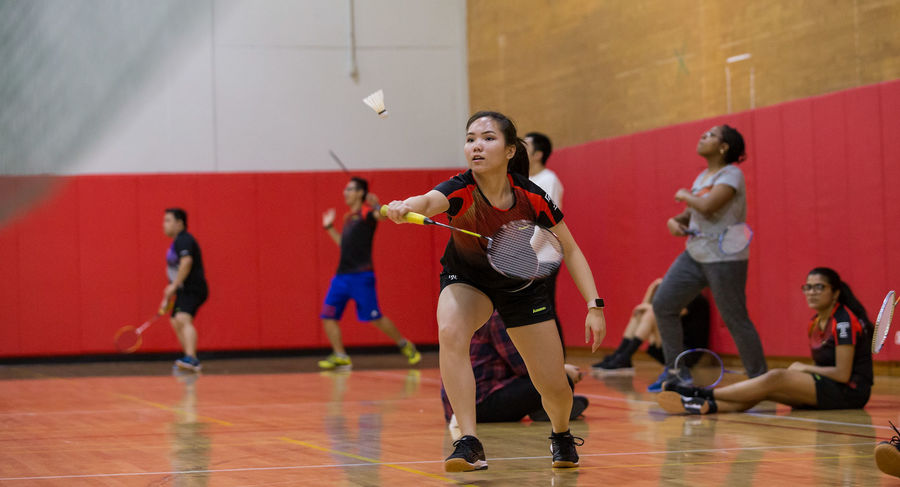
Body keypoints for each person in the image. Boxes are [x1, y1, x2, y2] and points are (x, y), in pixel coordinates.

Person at [384, 111, 606, 472]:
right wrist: (405, 205)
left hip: (521, 287)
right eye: (471, 138)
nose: (476, 146)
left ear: (509, 150)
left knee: (553, 385)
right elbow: (427, 201)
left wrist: (594, 305)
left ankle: (561, 434)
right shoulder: (460, 188)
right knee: (451, 331)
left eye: (487, 138)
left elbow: (572, 248)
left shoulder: (531, 196)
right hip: (468, 280)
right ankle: (468, 442)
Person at [657, 267, 873, 415]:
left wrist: (804, 368)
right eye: (808, 287)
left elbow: (843, 374)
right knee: (764, 390)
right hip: (830, 387)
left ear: (835, 293)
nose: (812, 292)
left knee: (776, 376)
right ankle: (704, 406)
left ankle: (700, 392)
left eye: (819, 287)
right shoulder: (816, 322)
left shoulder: (844, 321)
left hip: (850, 393)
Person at [650, 125, 767, 391]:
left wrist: (683, 195)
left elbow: (708, 205)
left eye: (711, 135)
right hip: (694, 254)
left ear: (724, 147)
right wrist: (673, 221)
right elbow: (692, 214)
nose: (703, 137)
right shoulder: (703, 176)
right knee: (664, 304)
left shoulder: (732, 174)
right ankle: (676, 372)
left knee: (735, 318)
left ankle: (760, 379)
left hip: (726, 258)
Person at [318, 177, 420, 370]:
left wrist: (378, 205)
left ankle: (404, 345)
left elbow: (382, 216)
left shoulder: (367, 214)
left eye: (349, 189)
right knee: (328, 315)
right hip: (341, 277)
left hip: (361, 277)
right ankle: (340, 356)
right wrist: (329, 227)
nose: (345, 193)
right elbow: (344, 246)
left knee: (375, 318)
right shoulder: (348, 217)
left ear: (359, 193)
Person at [440, 311, 589, 425]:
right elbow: (522, 365)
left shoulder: (473, 310)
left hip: (458, 405)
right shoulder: (497, 315)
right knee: (561, 382)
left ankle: (545, 407)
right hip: (480, 405)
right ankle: (546, 408)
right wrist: (561, 370)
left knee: (554, 385)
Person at [593, 278, 709, 377]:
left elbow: (667, 312)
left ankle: (624, 357)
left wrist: (648, 306)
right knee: (640, 314)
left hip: (686, 354)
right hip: (672, 350)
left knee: (651, 313)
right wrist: (652, 288)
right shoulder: (682, 296)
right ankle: (620, 355)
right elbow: (643, 308)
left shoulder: (694, 298)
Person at [525, 132, 567, 351]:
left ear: (538, 154)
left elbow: (545, 224)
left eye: (526, 145)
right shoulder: (524, 180)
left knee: (544, 310)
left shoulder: (548, 180)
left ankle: (560, 363)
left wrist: (523, 254)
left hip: (543, 258)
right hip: (525, 259)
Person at [162, 208, 208, 372]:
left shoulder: (184, 240)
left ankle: (192, 359)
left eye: (168, 220)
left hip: (193, 288)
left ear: (179, 223)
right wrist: (168, 294)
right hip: (182, 289)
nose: (164, 225)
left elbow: (186, 262)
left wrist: (174, 286)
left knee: (182, 319)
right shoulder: (176, 242)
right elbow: (175, 270)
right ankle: (188, 357)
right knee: (175, 320)